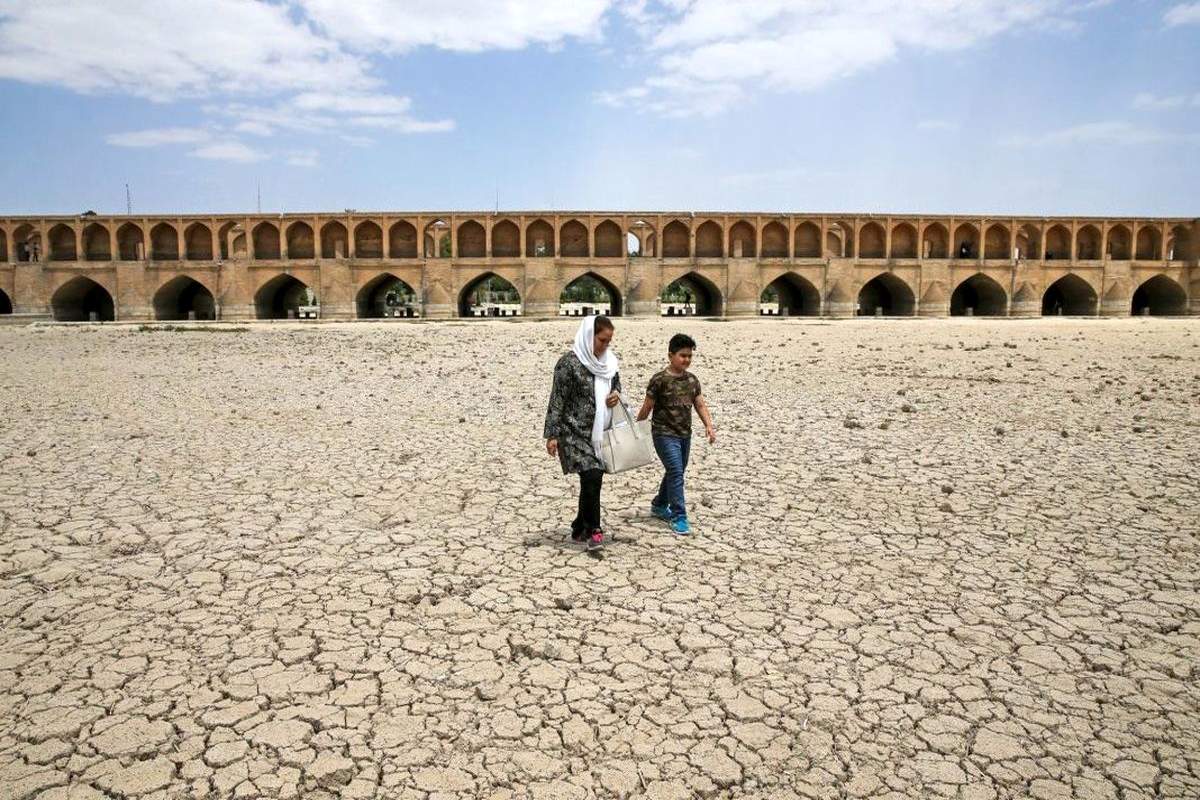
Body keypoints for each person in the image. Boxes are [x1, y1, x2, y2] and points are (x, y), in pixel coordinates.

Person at [544, 315, 621, 551]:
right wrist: (552, 434)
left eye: (608, 341)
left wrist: (615, 393)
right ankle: (594, 531)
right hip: (572, 431)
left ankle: (579, 525)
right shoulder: (568, 364)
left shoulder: (608, 362)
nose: (605, 346)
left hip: (597, 431)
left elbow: (615, 383)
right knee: (593, 475)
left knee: (591, 476)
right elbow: (557, 400)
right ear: (589, 336)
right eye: (601, 340)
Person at [636, 333, 716, 535]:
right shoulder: (659, 380)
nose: (687, 360)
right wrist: (636, 429)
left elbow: (699, 404)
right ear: (670, 355)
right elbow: (647, 407)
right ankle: (679, 516)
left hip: (684, 434)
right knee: (676, 471)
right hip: (663, 434)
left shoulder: (692, 380)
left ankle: (660, 504)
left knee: (676, 471)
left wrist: (709, 425)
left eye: (690, 356)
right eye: (682, 355)